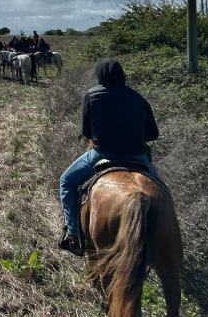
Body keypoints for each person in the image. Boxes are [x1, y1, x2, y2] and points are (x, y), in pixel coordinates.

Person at [58, 58, 160, 256]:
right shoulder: (138, 98)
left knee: (66, 181)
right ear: (122, 75)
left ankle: (73, 235)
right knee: (161, 191)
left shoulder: (91, 95)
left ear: (100, 76)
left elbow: (86, 130)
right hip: (138, 157)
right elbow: (153, 135)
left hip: (101, 154)